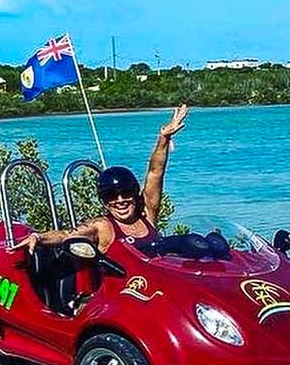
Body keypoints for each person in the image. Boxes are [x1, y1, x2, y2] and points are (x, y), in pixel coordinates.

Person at [14, 106, 189, 255]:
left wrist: (163, 138)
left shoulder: (147, 215)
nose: (120, 200)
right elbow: (66, 235)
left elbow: (155, 172)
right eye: (111, 196)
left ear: (135, 195)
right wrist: (38, 237)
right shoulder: (103, 227)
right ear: (105, 202)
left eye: (126, 193)